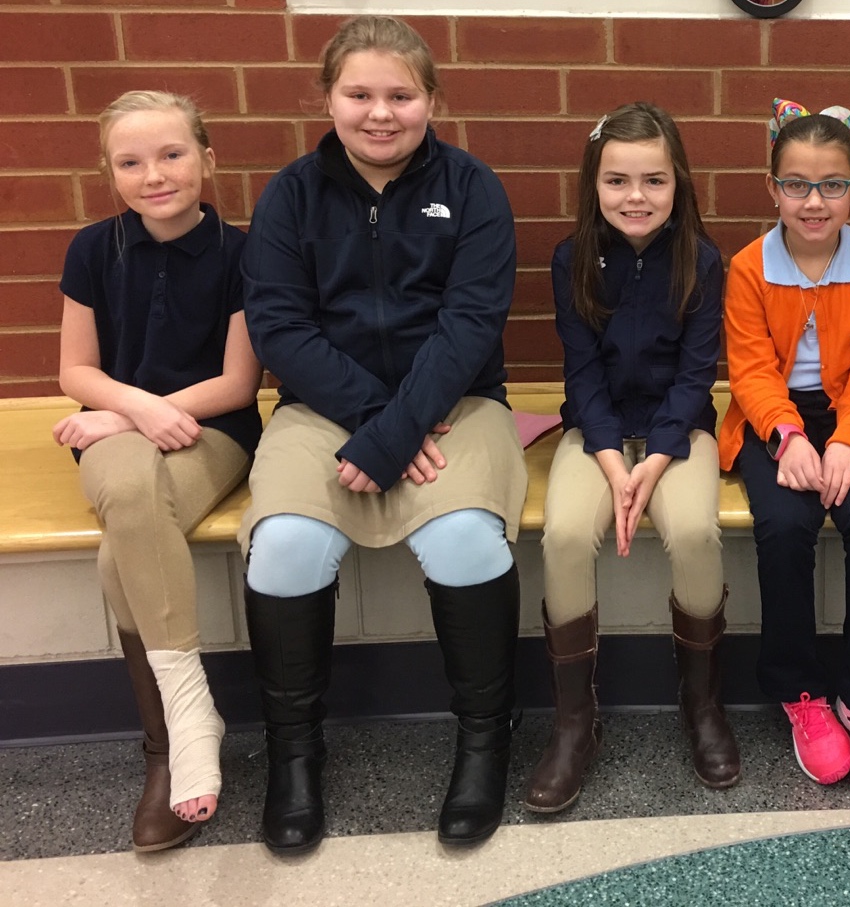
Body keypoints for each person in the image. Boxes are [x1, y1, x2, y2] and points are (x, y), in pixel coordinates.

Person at [240, 15, 525, 853]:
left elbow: (471, 324)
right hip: (323, 409)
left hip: (457, 403)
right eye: (358, 93)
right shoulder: (291, 194)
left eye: (401, 95)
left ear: (431, 99)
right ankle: (294, 755)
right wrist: (379, 423)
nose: (379, 113)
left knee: (466, 538)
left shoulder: (473, 188)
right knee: (284, 545)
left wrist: (396, 430)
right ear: (326, 97)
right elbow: (279, 326)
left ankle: (485, 742)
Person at [52, 90, 262, 851]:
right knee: (130, 494)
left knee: (123, 544)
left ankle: (169, 742)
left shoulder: (244, 253)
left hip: (210, 430)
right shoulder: (91, 250)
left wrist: (130, 414)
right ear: (110, 173)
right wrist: (134, 411)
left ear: (207, 158)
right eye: (131, 162)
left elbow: (237, 383)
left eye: (172, 154)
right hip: (118, 431)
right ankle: (185, 715)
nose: (155, 175)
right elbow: (76, 369)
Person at [527, 102, 738, 812]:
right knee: (563, 534)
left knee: (694, 531)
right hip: (599, 431)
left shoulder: (701, 260)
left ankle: (702, 705)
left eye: (654, 180)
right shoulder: (572, 258)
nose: (636, 197)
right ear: (594, 184)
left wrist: (658, 458)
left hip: (679, 431)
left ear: (679, 183)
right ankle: (573, 723)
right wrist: (615, 462)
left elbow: (696, 374)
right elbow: (581, 372)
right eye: (617, 181)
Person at [719, 98, 850, 804]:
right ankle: (800, 691)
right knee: (783, 523)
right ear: (772, 188)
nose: (813, 201)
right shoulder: (748, 267)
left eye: (832, 184)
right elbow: (749, 368)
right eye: (796, 183)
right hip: (774, 417)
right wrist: (788, 435)